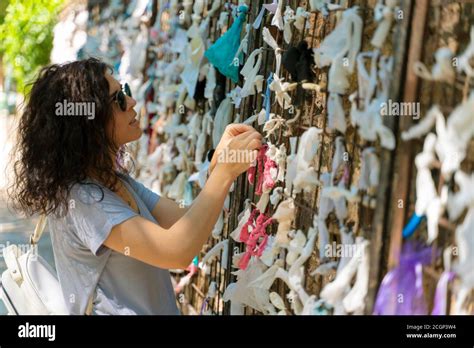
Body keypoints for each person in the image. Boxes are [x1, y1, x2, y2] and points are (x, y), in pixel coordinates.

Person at [9, 57, 262, 314]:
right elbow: (178, 251)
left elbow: (184, 221)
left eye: (125, 92)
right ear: (89, 122)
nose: (131, 102)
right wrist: (224, 174)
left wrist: (218, 166)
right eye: (118, 99)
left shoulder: (113, 181)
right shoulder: (84, 199)